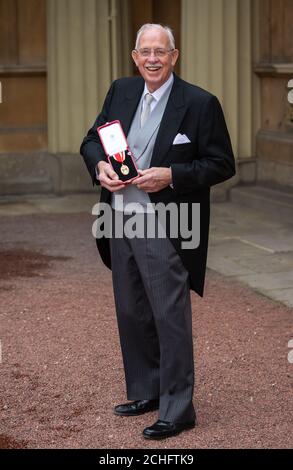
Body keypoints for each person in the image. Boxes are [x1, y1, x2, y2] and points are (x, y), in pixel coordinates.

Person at [80, 23, 235, 440]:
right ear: (135, 57)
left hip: (168, 224)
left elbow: (222, 163)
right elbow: (91, 141)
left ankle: (179, 408)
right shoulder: (120, 91)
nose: (152, 59)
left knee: (169, 316)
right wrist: (100, 166)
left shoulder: (200, 103)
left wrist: (172, 175)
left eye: (160, 52)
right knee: (132, 311)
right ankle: (147, 390)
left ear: (174, 55)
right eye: (145, 52)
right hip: (118, 217)